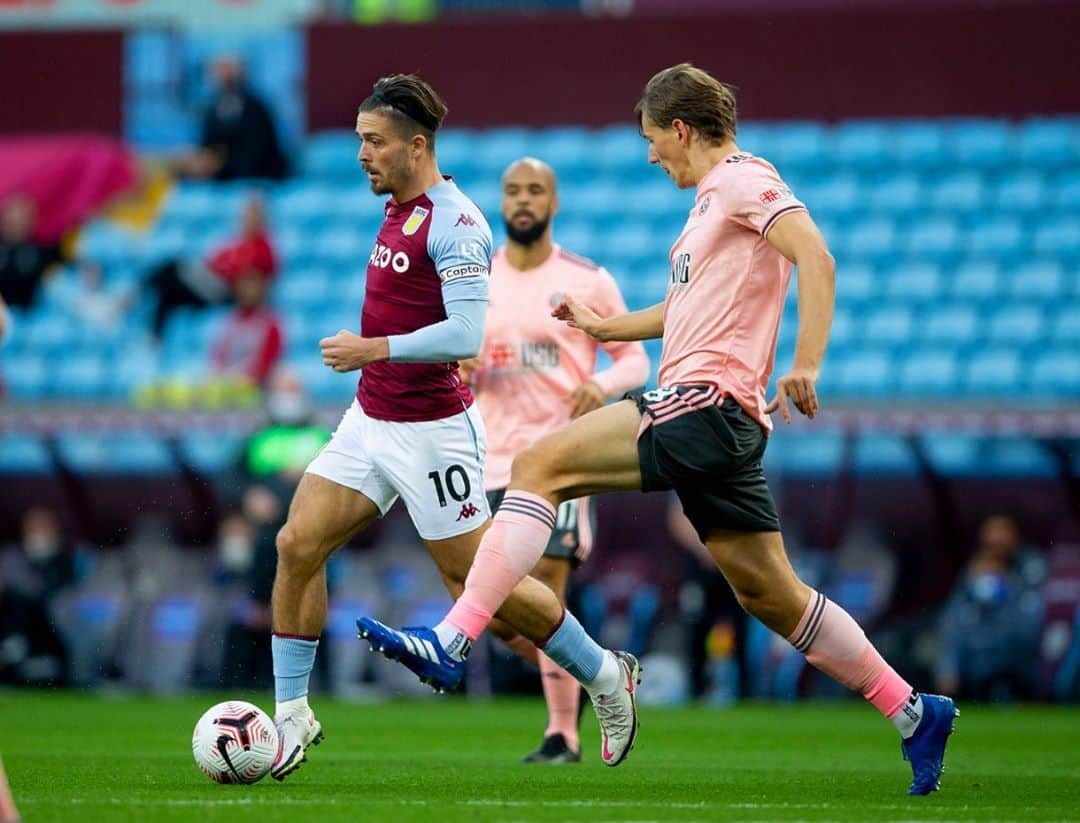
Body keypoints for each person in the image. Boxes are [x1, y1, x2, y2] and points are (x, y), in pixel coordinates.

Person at [364, 64, 957, 795]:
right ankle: (913, 710)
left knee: (541, 463)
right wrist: (600, 324)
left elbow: (816, 255)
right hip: (720, 417)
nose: (650, 157)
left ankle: (452, 640)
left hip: (706, 402)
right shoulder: (709, 205)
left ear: (680, 129)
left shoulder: (742, 179)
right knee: (772, 594)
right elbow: (682, 311)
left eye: (652, 140)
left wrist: (806, 364)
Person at [271, 74, 638, 780]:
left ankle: (603, 673)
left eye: (374, 143)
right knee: (296, 542)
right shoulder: (396, 204)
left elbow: (468, 330)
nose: (361, 155)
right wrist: (376, 365)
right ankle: (291, 716)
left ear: (417, 145)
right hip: (370, 417)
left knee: (476, 580)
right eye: (358, 142)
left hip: (434, 429)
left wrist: (372, 347)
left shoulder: (459, 220)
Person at [463, 157, 649, 763]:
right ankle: (598, 672)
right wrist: (460, 372)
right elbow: (452, 366)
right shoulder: (476, 282)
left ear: (554, 202)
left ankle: (561, 734)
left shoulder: (586, 280)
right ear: (501, 200)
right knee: (494, 610)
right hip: (487, 461)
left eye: (535, 190)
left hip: (558, 465)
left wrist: (605, 386)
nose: (523, 200)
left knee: (546, 586)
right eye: (513, 190)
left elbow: (635, 360)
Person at [935, 515, 1043, 700]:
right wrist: (948, 668)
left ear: (1014, 536)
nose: (997, 541)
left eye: (1002, 533)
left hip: (1020, 668)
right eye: (991, 540)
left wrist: (1007, 588)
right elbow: (952, 621)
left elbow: (1030, 627)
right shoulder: (974, 572)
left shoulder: (1032, 569)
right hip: (976, 670)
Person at [146, 196, 276, 341]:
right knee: (168, 292)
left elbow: (255, 281)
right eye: (246, 216)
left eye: (253, 217)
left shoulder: (263, 248)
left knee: (172, 267)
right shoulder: (236, 243)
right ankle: (155, 339)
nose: (248, 220)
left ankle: (133, 299)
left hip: (226, 292)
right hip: (211, 283)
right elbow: (213, 262)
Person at [179, 56, 288, 182]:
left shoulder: (257, 107)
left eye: (229, 69)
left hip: (257, 179)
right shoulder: (211, 107)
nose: (225, 74)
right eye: (220, 69)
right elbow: (207, 145)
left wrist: (220, 165)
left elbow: (259, 152)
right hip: (219, 181)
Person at [209, 267, 283, 388]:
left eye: (252, 282)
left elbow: (266, 365)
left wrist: (244, 380)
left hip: (258, 389)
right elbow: (218, 359)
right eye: (242, 283)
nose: (247, 289)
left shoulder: (270, 324)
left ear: (263, 286)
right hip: (228, 387)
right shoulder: (228, 323)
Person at [0, 195, 65, 310]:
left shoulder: (43, 252)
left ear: (32, 221)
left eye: (21, 220)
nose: (15, 225)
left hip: (31, 318)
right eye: (11, 220)